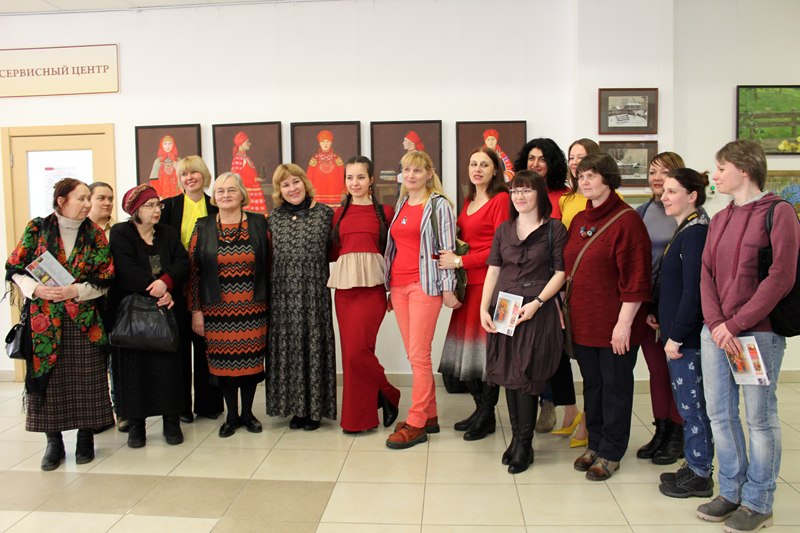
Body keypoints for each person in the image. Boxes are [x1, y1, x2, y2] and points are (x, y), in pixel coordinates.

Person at [696, 140, 799, 532]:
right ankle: (731, 491)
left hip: (755, 334)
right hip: (716, 332)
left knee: (759, 418)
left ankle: (758, 501)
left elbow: (781, 277)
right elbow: (706, 272)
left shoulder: (779, 211)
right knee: (720, 414)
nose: (716, 175)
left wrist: (735, 325)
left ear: (744, 168)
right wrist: (716, 323)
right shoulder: (721, 217)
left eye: (721, 167)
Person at [5, 178, 114, 470]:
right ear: (61, 201)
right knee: (50, 381)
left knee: (87, 378)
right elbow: (14, 267)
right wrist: (36, 289)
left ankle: (85, 439)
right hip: (45, 321)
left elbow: (106, 275)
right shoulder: (37, 228)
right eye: (81, 198)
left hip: (85, 320)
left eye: (89, 198)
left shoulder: (95, 233)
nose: (88, 204)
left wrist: (76, 290)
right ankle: (53, 443)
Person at [566, 153, 651, 481]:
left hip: (616, 324)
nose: (585, 181)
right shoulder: (579, 219)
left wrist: (624, 324)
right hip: (584, 320)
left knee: (615, 388)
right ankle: (595, 443)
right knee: (593, 386)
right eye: (581, 176)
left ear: (608, 179)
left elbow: (637, 278)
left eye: (592, 175)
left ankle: (612, 451)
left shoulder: (627, 220)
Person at [480, 170, 567, 474]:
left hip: (535, 308)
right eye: (515, 191)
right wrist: (483, 308)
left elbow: (560, 273)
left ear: (539, 194)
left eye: (526, 190)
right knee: (507, 373)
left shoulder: (555, 229)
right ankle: (517, 440)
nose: (519, 196)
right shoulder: (504, 229)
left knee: (526, 374)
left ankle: (525, 444)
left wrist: (537, 303)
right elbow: (493, 270)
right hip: (504, 306)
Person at [384, 151, 459, 449]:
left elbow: (447, 250)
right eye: (406, 170)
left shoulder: (439, 205)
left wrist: (448, 288)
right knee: (414, 353)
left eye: (417, 170)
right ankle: (430, 415)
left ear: (429, 173)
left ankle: (415, 422)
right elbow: (395, 248)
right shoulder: (401, 203)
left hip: (424, 286)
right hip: (398, 287)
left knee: (418, 355)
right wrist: (389, 288)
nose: (411, 175)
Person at [189, 172, 270, 438]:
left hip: (253, 309)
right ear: (214, 196)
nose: (226, 195)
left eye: (231, 190)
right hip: (216, 311)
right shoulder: (203, 226)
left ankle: (248, 414)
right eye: (220, 191)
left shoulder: (259, 223)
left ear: (242, 194)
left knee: (251, 363)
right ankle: (231, 416)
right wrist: (196, 311)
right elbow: (193, 272)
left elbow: (270, 263)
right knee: (224, 366)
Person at [108, 185, 190, 448]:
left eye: (158, 204)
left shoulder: (167, 232)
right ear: (135, 210)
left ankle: (171, 422)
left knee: (169, 369)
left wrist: (166, 282)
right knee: (134, 371)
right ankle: (136, 427)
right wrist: (157, 289)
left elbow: (183, 262)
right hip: (132, 313)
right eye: (150, 205)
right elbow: (125, 268)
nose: (157, 210)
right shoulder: (121, 232)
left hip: (167, 311)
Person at [437, 147, 509, 441]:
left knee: (487, 354)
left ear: (495, 170)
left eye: (484, 164)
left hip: (490, 287)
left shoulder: (501, 199)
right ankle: (481, 410)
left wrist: (459, 261)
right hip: (468, 287)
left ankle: (487, 414)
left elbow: (500, 248)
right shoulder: (468, 200)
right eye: (473, 163)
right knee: (468, 354)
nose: (477, 169)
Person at [653, 168, 714, 498]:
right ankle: (692, 465)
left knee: (694, 408)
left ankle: (701, 474)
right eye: (664, 190)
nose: (664, 196)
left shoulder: (695, 233)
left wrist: (675, 335)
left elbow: (694, 291)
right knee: (688, 406)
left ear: (692, 196)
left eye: (672, 191)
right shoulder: (685, 228)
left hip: (687, 340)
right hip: (678, 335)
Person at [329, 156, 400, 433]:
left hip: (372, 291)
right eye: (350, 177)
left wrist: (394, 290)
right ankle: (359, 418)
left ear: (371, 179)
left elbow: (395, 253)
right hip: (345, 293)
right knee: (351, 355)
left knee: (360, 351)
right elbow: (335, 251)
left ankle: (388, 393)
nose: (355, 183)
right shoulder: (337, 214)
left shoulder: (386, 212)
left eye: (360, 177)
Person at [266, 164, 336, 431]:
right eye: (285, 185)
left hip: (314, 294)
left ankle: (315, 410)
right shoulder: (273, 218)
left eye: (295, 182)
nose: (292, 188)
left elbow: (335, 251)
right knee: (289, 348)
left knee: (314, 345)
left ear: (305, 183)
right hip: (282, 297)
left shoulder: (325, 214)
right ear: (279, 190)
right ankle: (296, 409)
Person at [513, 138, 575, 436]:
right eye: (531, 158)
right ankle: (533, 406)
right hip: (520, 285)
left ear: (553, 163)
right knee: (524, 349)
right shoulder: (519, 195)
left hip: (554, 285)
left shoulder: (565, 197)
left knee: (553, 350)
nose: (536, 164)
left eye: (542, 159)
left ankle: (549, 403)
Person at [161, 156, 224, 423]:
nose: (190, 178)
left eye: (194, 172)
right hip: (177, 285)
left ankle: (209, 404)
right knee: (179, 348)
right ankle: (181, 406)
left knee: (207, 345)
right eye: (184, 174)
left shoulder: (215, 205)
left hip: (210, 285)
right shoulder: (169, 206)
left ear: (204, 175)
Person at [636, 152, 684, 464]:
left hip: (675, 305)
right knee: (656, 371)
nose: (656, 178)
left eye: (664, 172)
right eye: (653, 172)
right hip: (646, 305)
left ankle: (678, 434)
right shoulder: (641, 212)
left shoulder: (687, 213)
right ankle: (661, 430)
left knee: (677, 371)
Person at [88, 181, 121, 432]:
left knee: (116, 361)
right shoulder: (81, 232)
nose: (107, 203)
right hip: (87, 305)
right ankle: (97, 414)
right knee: (92, 362)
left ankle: (121, 410)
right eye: (101, 198)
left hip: (115, 303)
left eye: (110, 198)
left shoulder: (119, 230)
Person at [559, 138, 602, 229]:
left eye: (581, 158)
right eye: (571, 158)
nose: (574, 162)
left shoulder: (609, 197)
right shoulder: (565, 199)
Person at [231, 131, 268, 214]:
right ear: (241, 143)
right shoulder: (238, 158)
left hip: (253, 192)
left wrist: (258, 178)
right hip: (248, 193)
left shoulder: (245, 157)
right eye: (247, 142)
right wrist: (256, 179)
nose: (249, 144)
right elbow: (237, 178)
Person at [306, 130, 345, 207]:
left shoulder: (336, 158)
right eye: (323, 142)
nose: (325, 144)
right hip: (318, 193)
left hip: (335, 192)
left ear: (331, 143)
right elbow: (309, 176)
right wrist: (309, 191)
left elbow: (342, 175)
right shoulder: (315, 158)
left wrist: (343, 191)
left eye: (328, 141)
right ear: (319, 143)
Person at [149, 135, 180, 199]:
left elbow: (184, 178)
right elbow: (153, 180)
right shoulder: (158, 161)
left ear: (173, 145)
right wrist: (159, 195)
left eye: (170, 143)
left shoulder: (178, 160)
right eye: (165, 144)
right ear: (162, 145)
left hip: (178, 195)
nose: (167, 146)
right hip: (162, 197)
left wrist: (178, 169)